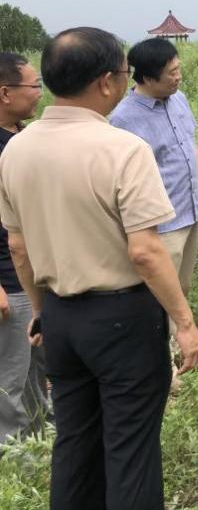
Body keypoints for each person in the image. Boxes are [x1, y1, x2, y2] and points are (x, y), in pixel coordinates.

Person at [0, 27, 198, 510]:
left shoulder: (16, 150)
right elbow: (145, 252)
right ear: (106, 81)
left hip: (60, 319)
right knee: (131, 450)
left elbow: (18, 246)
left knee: (75, 446)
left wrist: (43, 312)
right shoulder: (122, 148)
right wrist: (184, 322)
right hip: (122, 318)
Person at [110, 39, 198, 329]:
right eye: (171, 72)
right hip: (160, 224)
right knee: (159, 295)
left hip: (189, 211)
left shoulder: (178, 99)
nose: (178, 76)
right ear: (147, 78)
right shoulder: (123, 119)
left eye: (178, 69)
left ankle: (180, 343)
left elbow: (191, 146)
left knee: (181, 288)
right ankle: (162, 353)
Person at [0, 53, 47, 446]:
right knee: (10, 380)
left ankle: (42, 444)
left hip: (39, 277)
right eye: (34, 86)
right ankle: (16, 460)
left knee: (39, 373)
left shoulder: (24, 137)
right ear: (5, 93)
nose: (39, 93)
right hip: (9, 284)